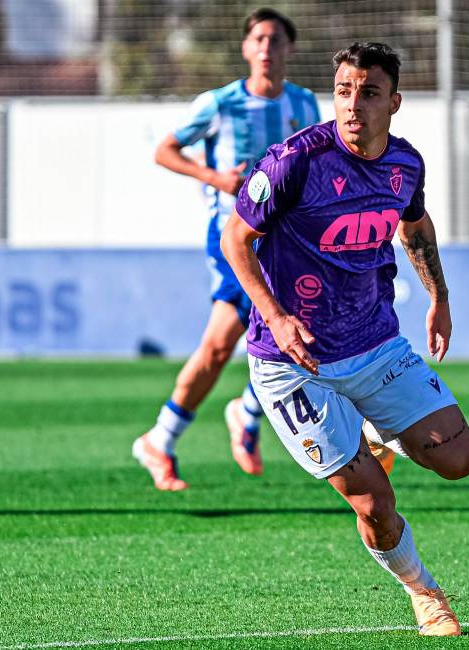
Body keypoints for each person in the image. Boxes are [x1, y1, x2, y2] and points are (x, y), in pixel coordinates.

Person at [221, 42, 469, 636]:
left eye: (368, 92)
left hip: (375, 345)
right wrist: (276, 317)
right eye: (343, 91)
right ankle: (424, 591)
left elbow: (414, 226)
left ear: (394, 102)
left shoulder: (405, 164)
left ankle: (372, 428)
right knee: (375, 504)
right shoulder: (295, 161)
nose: (353, 104)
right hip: (294, 362)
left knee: (458, 460)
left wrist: (438, 297)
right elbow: (236, 239)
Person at [133, 8, 321, 491]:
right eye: (258, 39)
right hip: (234, 239)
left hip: (288, 241)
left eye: (275, 39)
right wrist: (214, 177)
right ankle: (166, 437)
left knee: (303, 330)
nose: (266, 47)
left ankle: (233, 415)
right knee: (224, 345)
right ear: (245, 47)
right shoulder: (219, 103)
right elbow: (164, 151)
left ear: (290, 49)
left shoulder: (304, 104)